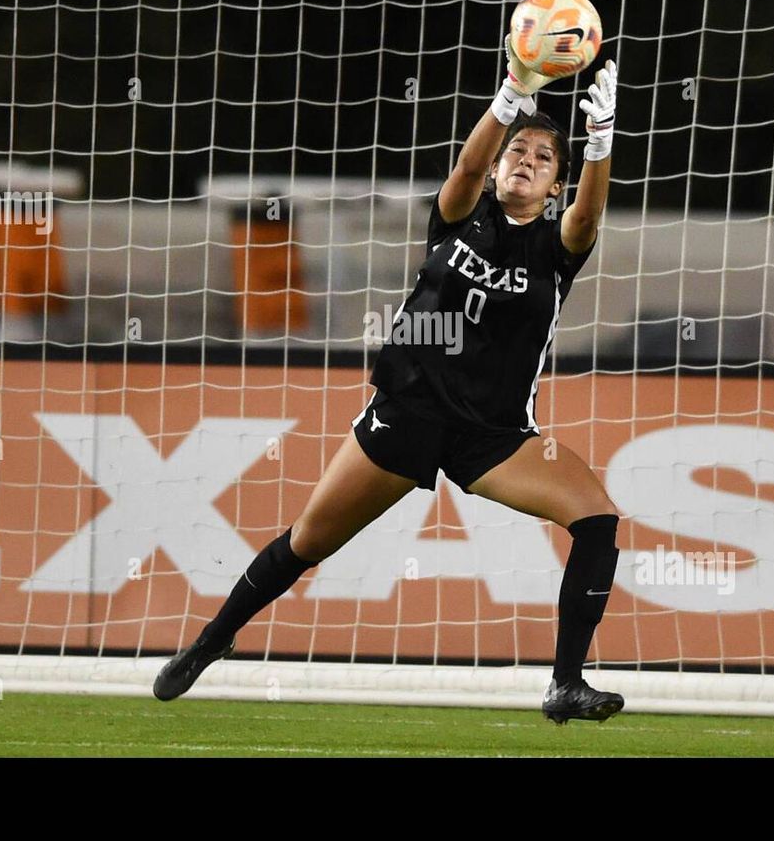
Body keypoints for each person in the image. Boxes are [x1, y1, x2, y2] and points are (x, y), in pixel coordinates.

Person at [154, 38, 623, 725]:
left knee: (598, 518)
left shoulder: (555, 251)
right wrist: (512, 94)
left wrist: (601, 145)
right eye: (517, 153)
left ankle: (565, 683)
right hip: (408, 411)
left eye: (544, 159)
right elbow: (466, 164)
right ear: (498, 171)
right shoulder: (458, 216)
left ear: (555, 187)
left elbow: (588, 217)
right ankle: (208, 642)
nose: (526, 162)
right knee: (308, 541)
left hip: (493, 435)